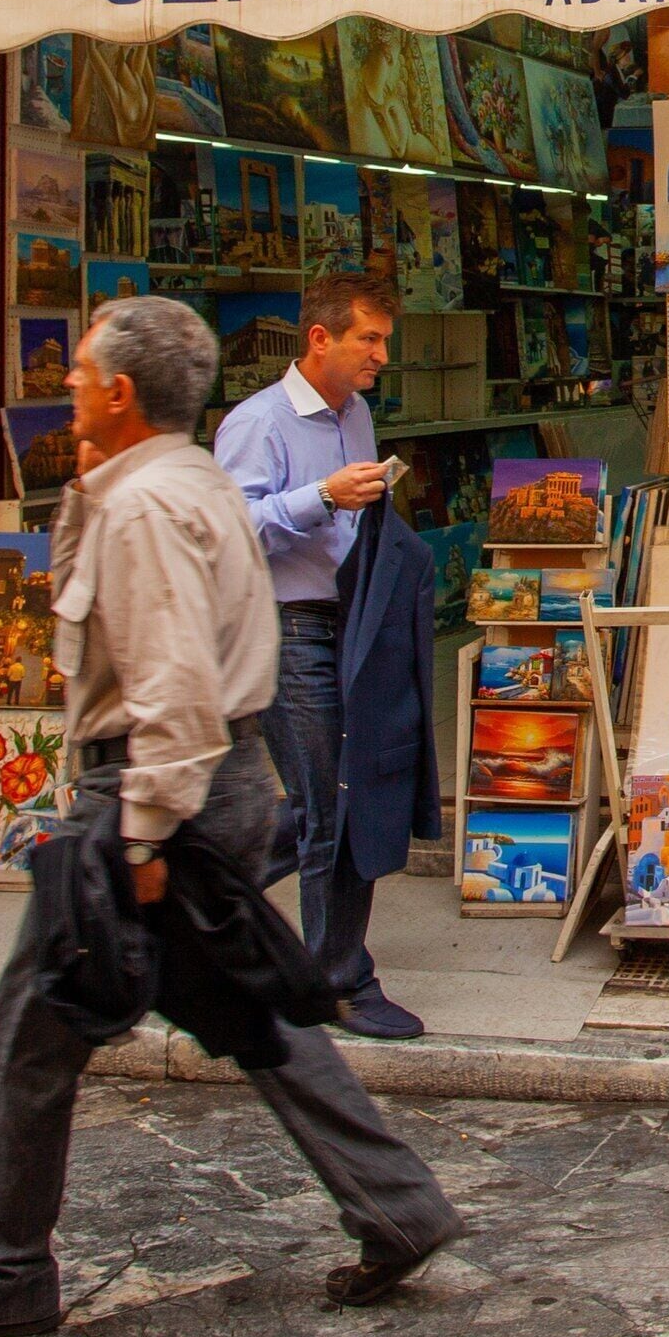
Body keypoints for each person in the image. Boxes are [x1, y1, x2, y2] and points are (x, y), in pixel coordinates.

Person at [0, 297, 459, 1337]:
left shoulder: (149, 506)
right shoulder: (183, 483)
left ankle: (1, 1274)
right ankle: (399, 1205)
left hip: (151, 790)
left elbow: (177, 683)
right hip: (201, 782)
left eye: (81, 373)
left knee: (29, 1036)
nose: (69, 390)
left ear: (120, 392)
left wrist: (140, 839)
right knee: (258, 1010)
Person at [213, 272, 416, 1039]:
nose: (381, 356)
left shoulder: (356, 413)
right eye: (369, 339)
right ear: (320, 339)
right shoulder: (257, 422)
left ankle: (195, 888)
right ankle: (340, 980)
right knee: (334, 800)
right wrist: (323, 497)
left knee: (323, 800)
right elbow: (227, 531)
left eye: (384, 340)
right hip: (286, 625)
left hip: (351, 622)